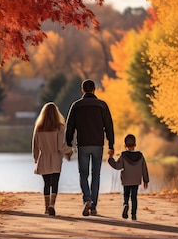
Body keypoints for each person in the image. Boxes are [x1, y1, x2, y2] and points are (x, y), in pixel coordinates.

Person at [65, 79, 114, 216]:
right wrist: (111, 144)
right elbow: (109, 126)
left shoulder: (76, 105)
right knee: (96, 175)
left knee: (83, 174)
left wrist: (68, 143)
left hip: (83, 144)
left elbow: (70, 127)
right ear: (94, 90)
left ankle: (87, 198)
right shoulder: (102, 105)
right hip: (98, 144)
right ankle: (93, 206)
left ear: (83, 90)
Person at [33, 102, 73, 216]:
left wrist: (35, 156)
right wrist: (69, 151)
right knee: (55, 182)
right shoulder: (60, 127)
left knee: (46, 183)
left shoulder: (38, 127)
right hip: (55, 157)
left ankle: (46, 207)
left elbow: (34, 144)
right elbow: (61, 145)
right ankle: (52, 205)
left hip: (44, 156)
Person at [108, 134, 149, 221]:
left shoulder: (124, 155)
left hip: (126, 179)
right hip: (136, 180)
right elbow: (144, 168)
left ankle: (125, 204)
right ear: (135, 145)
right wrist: (146, 180)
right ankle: (133, 215)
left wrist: (110, 159)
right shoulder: (140, 155)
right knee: (134, 197)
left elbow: (118, 166)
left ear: (125, 145)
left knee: (126, 194)